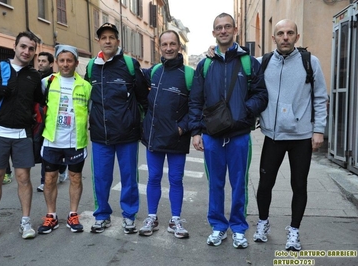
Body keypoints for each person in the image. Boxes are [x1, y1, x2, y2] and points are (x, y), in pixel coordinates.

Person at [188, 13, 268, 248]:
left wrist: (245, 110)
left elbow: (261, 94)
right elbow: (196, 100)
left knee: (239, 183)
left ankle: (238, 227)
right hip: (212, 136)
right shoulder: (205, 64)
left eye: (227, 27)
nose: (223, 31)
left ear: (235, 30)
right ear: (213, 33)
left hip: (239, 136)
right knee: (215, 184)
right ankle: (218, 226)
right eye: (218, 28)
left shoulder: (248, 62)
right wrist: (196, 132)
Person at [253, 19, 328, 251]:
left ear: (296, 36)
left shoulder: (310, 62)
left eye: (289, 33)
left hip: (301, 137)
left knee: (299, 185)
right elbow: (238, 67)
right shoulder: (263, 62)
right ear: (273, 37)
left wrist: (319, 130)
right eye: (280, 33)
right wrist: (214, 54)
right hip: (273, 136)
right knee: (265, 184)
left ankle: (294, 231)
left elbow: (320, 97)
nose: (285, 37)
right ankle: (263, 223)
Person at [0, 31, 44, 242]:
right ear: (15, 46)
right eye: (23, 46)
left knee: (24, 179)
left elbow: (40, 102)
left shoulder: (34, 76)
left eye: (31, 48)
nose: (27, 51)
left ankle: (25, 222)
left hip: (22, 134)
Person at [85, 23, 148, 234]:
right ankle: (102, 214)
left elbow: (143, 98)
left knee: (129, 177)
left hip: (127, 134)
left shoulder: (130, 65)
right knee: (101, 178)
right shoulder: (91, 67)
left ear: (118, 41)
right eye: (104, 37)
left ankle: (129, 215)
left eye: (112, 37)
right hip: (100, 135)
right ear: (99, 41)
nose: (108, 41)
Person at [138, 30, 192, 239]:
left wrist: (182, 127)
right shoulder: (153, 72)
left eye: (172, 44)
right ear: (159, 47)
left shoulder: (188, 74)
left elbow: (196, 105)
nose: (168, 48)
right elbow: (140, 95)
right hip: (154, 135)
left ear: (179, 47)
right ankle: (152, 217)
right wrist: (147, 121)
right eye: (164, 44)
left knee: (176, 179)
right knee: (154, 177)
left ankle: (175, 220)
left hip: (177, 135)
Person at [37, 45, 91, 234]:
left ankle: (73, 214)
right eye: (62, 60)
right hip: (52, 140)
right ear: (57, 62)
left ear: (76, 63)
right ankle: (51, 215)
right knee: (50, 179)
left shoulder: (86, 86)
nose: (66, 64)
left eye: (69, 60)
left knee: (75, 178)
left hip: (76, 141)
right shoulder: (47, 82)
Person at [34, 51, 69, 193]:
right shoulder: (37, 78)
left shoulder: (51, 79)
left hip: (54, 120)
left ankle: (62, 168)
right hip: (41, 121)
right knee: (44, 150)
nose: (40, 63)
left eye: (43, 61)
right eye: (39, 61)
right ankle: (44, 180)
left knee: (59, 150)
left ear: (51, 64)